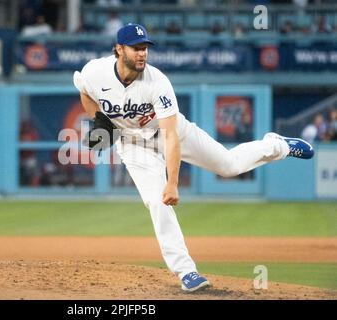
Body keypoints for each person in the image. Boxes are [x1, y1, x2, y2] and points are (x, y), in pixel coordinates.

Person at [73, 23, 314, 293]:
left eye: (145, 48)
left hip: (174, 133)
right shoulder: (95, 72)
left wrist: (172, 182)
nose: (142, 54)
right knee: (156, 202)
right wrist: (98, 118)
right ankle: (187, 272)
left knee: (229, 166)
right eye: (136, 48)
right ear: (119, 49)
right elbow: (84, 91)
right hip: (133, 145)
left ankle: (276, 145)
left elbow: (171, 136)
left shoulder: (157, 82)